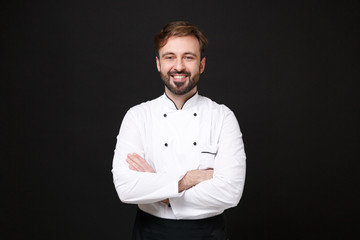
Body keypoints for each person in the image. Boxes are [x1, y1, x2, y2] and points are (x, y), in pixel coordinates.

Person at [112, 21, 246, 240]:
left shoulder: (223, 117)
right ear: (158, 63)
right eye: (170, 57)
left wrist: (158, 189)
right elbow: (126, 187)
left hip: (208, 234)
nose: (179, 66)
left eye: (188, 57)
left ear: (201, 65)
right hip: (150, 232)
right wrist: (188, 179)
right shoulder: (137, 116)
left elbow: (230, 192)